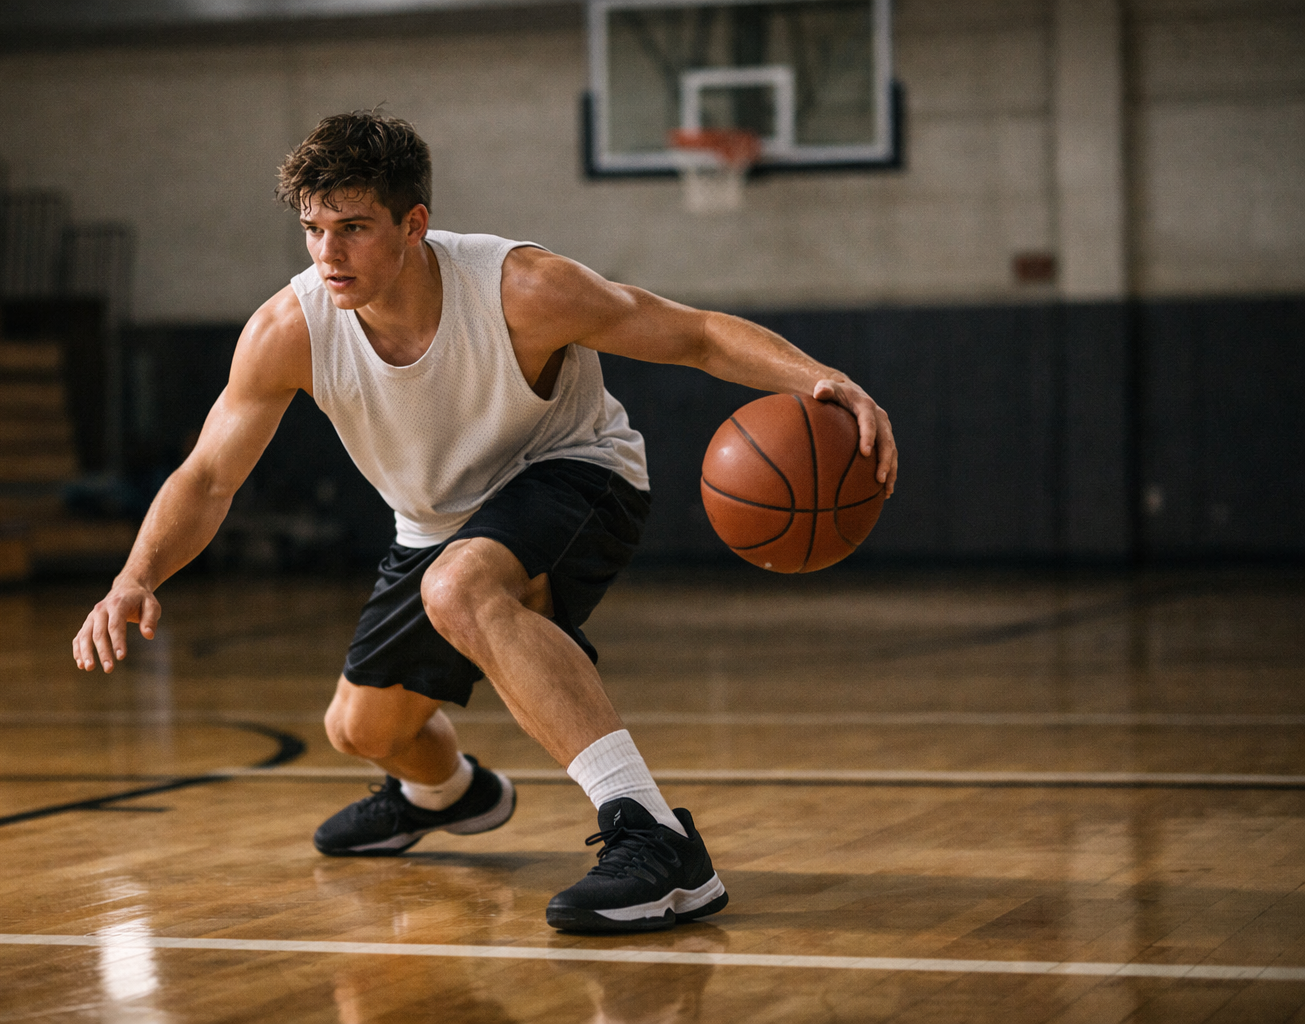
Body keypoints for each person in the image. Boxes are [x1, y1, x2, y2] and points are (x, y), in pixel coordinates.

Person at [73, 111, 897, 934]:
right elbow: (209, 476)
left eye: (354, 228)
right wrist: (134, 577)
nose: (328, 253)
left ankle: (656, 838)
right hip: (434, 524)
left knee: (461, 587)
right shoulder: (288, 330)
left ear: (413, 224)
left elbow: (697, 336)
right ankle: (448, 795)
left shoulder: (521, 288)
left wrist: (822, 380)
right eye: (314, 229)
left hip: (578, 471)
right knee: (360, 729)